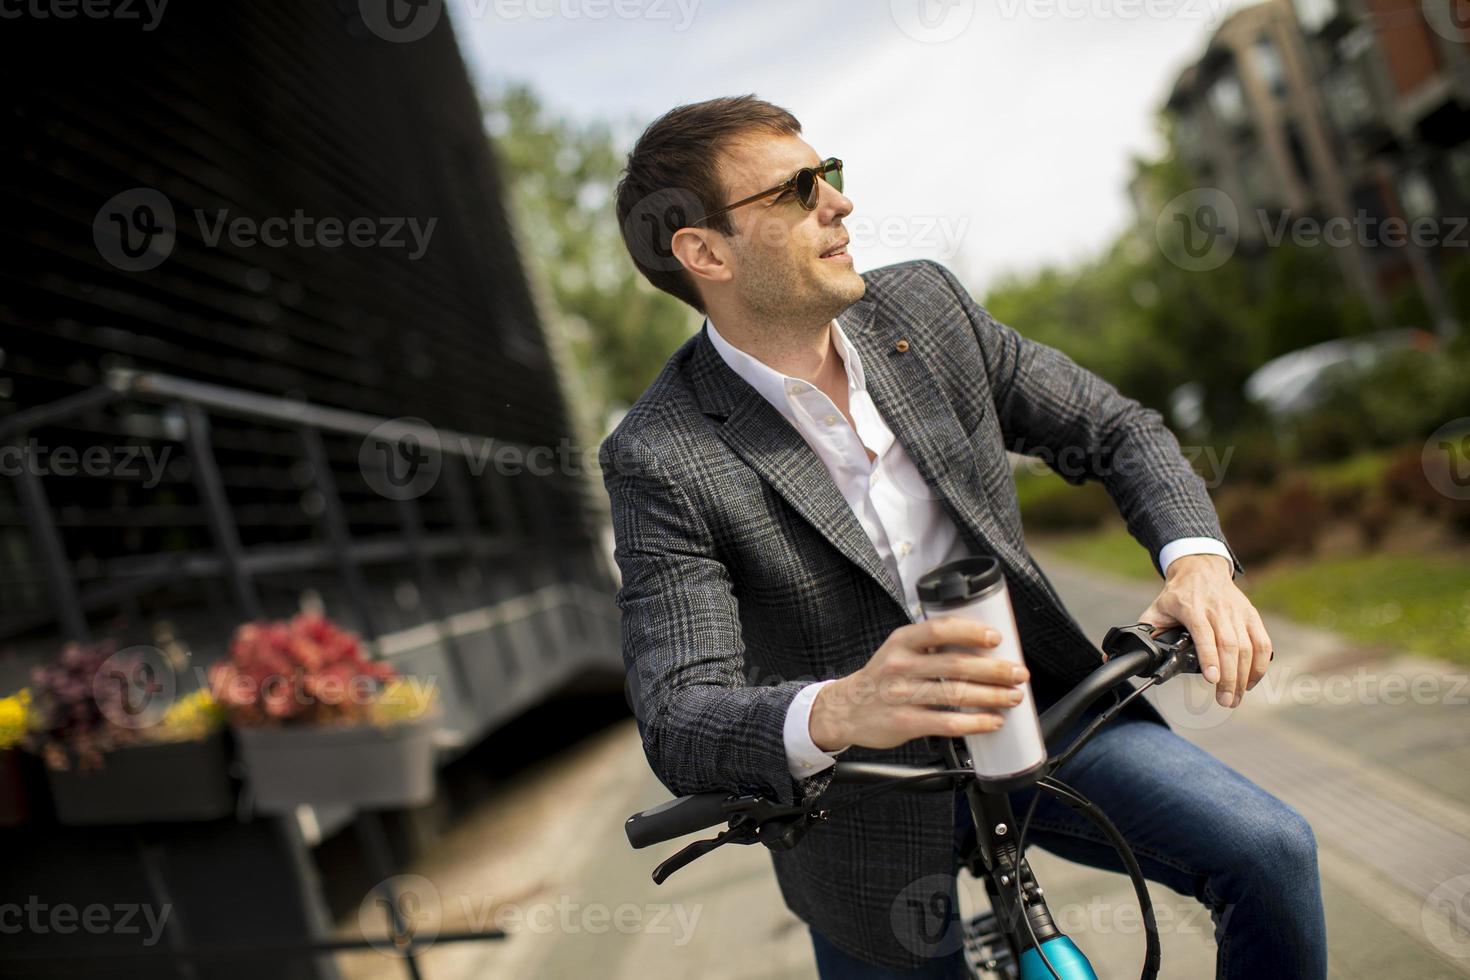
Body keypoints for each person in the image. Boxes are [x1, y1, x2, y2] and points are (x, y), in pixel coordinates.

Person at [599, 94, 1326, 979]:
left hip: (1044, 716)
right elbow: (678, 714)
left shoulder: (926, 309)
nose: (838, 201)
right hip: (855, 803)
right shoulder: (659, 454)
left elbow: (1116, 429)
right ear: (704, 251)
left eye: (828, 173)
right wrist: (842, 708)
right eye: (795, 189)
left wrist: (1201, 564)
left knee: (1271, 851)